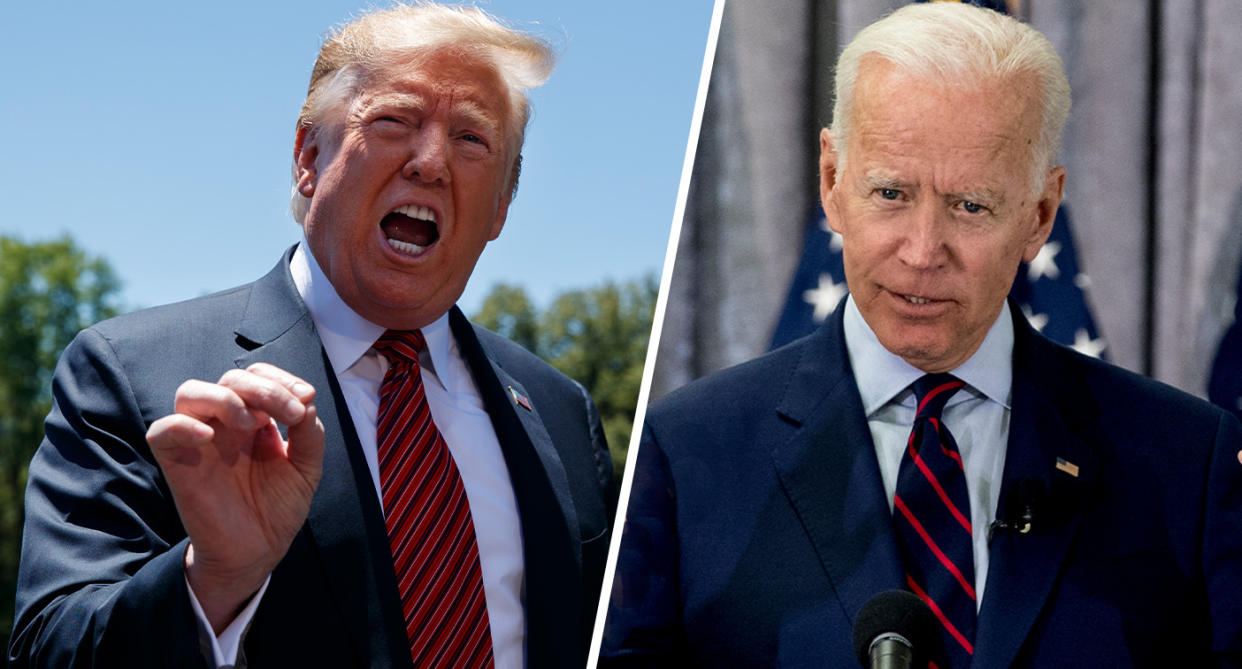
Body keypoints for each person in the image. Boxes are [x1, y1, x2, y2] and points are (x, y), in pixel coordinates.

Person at [601, 3, 1242, 667]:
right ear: (832, 180)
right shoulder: (685, 452)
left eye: (971, 206)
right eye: (890, 193)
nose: (923, 251)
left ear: (1040, 213)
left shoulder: (1187, 463)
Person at [8, 4, 615, 668]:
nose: (432, 161)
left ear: (501, 205)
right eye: (395, 120)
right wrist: (212, 581)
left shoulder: (560, 412)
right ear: (308, 156)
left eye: (473, 138)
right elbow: (49, 649)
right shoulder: (132, 373)